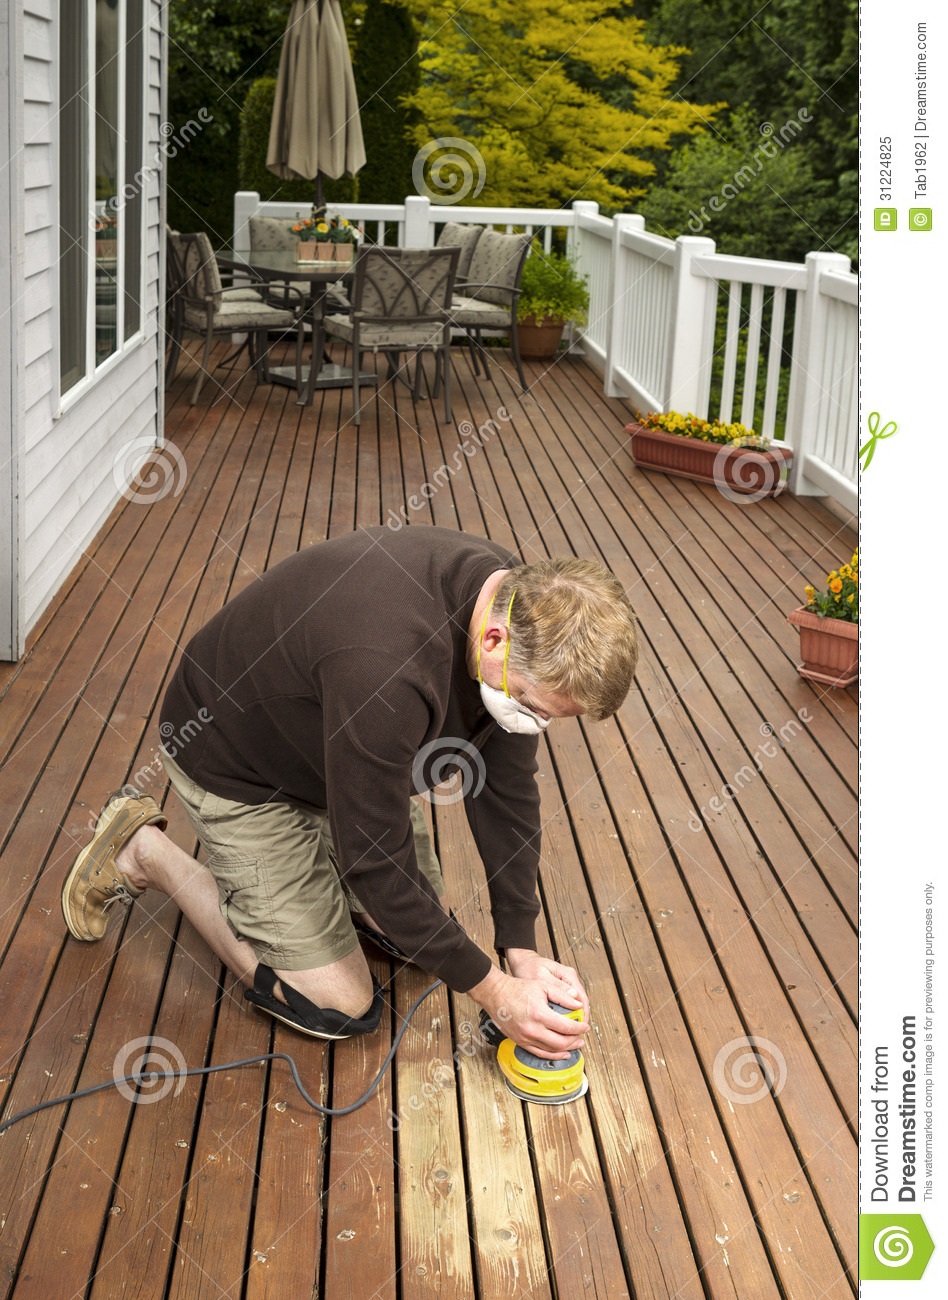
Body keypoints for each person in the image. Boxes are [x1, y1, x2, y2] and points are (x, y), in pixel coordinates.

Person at [62, 527, 638, 1060]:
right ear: (493, 639)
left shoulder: (522, 604)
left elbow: (507, 789)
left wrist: (520, 947)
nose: (535, 726)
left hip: (330, 752)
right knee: (337, 1002)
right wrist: (496, 994)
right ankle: (146, 851)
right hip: (237, 763)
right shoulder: (384, 668)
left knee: (421, 942)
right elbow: (377, 864)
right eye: (534, 710)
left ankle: (308, 864)